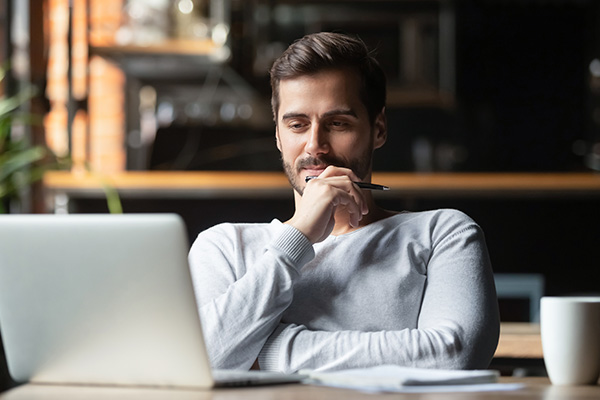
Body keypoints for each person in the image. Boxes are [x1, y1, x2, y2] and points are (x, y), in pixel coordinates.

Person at [188, 32, 500, 373]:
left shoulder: (443, 233)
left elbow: (454, 356)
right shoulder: (224, 246)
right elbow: (199, 362)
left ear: (378, 129)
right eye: (297, 124)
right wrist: (298, 237)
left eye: (337, 124)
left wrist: (267, 351)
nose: (314, 146)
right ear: (278, 135)